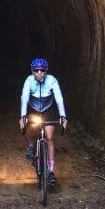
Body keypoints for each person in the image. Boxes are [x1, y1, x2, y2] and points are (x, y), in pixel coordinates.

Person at [18, 57, 67, 186]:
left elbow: (59, 98)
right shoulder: (29, 81)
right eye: (36, 70)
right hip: (34, 108)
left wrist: (63, 116)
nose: (39, 73)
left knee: (50, 137)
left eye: (42, 70)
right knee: (31, 127)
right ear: (32, 71)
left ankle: (50, 170)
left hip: (48, 109)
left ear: (46, 71)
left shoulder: (52, 80)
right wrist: (23, 116)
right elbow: (24, 97)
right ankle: (31, 145)